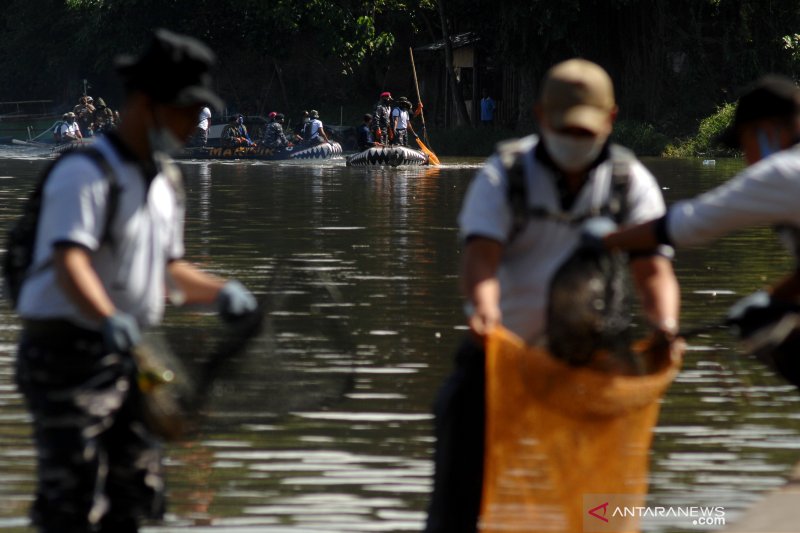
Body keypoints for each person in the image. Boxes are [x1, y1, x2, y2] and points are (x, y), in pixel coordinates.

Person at [14, 29, 259, 533]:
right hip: (65, 355)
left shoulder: (166, 181)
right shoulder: (84, 172)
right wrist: (108, 317)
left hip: (128, 354)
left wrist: (223, 293)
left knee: (139, 492)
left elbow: (169, 272)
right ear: (147, 103)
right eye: (186, 111)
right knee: (71, 495)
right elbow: (70, 261)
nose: (195, 125)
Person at [424, 58, 680, 532]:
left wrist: (665, 324)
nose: (576, 141)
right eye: (566, 129)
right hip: (503, 353)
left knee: (598, 501)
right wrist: (483, 311)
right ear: (541, 117)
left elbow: (653, 272)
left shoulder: (629, 182)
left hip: (589, 363)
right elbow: (481, 259)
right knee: (459, 458)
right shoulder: (505, 174)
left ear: (610, 120)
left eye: (587, 131)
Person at [598, 74, 800, 375]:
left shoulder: (782, 172)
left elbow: (686, 225)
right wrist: (771, 297)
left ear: (767, 131)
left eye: (744, 142)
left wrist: (603, 241)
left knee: (769, 329)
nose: (746, 158)